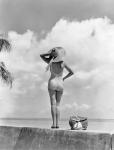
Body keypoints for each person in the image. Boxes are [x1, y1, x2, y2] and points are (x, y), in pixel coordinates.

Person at [40, 47, 74, 129]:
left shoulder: (50, 62)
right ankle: (58, 124)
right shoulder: (63, 63)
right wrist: (64, 78)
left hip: (52, 82)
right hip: (60, 83)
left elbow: (41, 55)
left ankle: (54, 124)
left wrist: (50, 53)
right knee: (58, 105)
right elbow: (72, 72)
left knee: (53, 104)